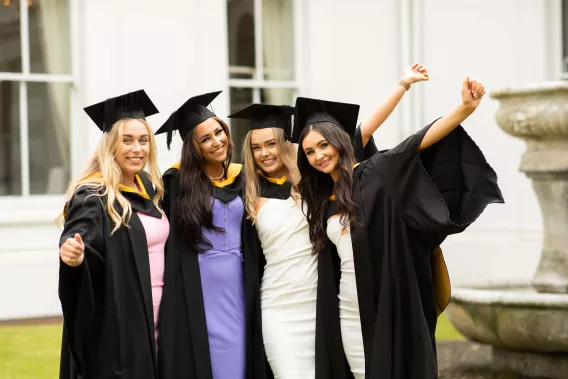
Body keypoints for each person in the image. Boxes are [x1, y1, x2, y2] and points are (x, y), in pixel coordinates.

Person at [294, 78, 504, 379]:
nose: (318, 156)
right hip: (346, 310)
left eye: (323, 145)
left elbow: (418, 142)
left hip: (385, 306)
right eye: (310, 152)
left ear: (339, 142)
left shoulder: (375, 174)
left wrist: (464, 109)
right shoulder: (325, 200)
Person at [58, 90, 167, 379]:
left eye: (143, 141)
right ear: (110, 146)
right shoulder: (93, 197)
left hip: (160, 321)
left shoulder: (150, 189)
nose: (137, 149)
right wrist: (73, 257)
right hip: (123, 331)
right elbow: (79, 240)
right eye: (127, 140)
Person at [155, 91, 264, 379]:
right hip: (199, 287)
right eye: (206, 138)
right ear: (194, 147)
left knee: (239, 361)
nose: (216, 142)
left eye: (219, 132)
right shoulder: (176, 183)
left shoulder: (243, 177)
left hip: (238, 286)